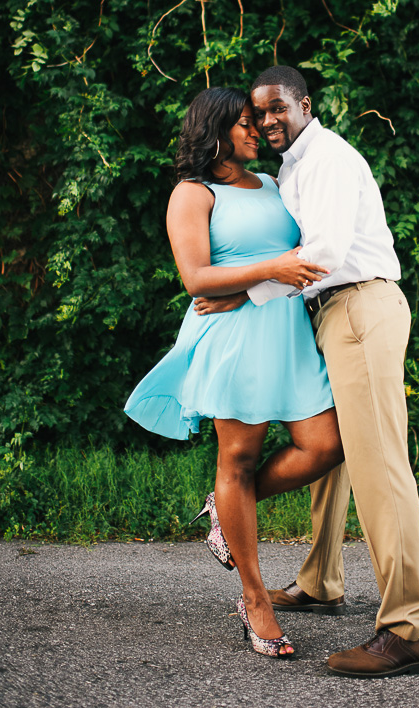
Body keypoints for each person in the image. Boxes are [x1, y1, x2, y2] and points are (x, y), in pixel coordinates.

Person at [203, 65, 419, 677]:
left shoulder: (327, 157)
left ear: (305, 103)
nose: (267, 121)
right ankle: (321, 582)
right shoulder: (291, 169)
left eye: (278, 108)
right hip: (329, 313)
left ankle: (406, 626)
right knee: (332, 456)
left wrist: (244, 294)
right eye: (258, 114)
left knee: (377, 464)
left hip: (360, 304)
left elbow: (327, 254)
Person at [124, 86, 344, 659]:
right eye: (246, 123)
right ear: (215, 131)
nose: (259, 130)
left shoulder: (272, 185)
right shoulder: (192, 194)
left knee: (325, 445)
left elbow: (305, 259)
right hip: (234, 341)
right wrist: (272, 268)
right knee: (238, 461)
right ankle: (255, 600)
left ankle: (225, 509)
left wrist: (260, 280)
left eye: (258, 121)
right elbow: (196, 279)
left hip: (288, 336)